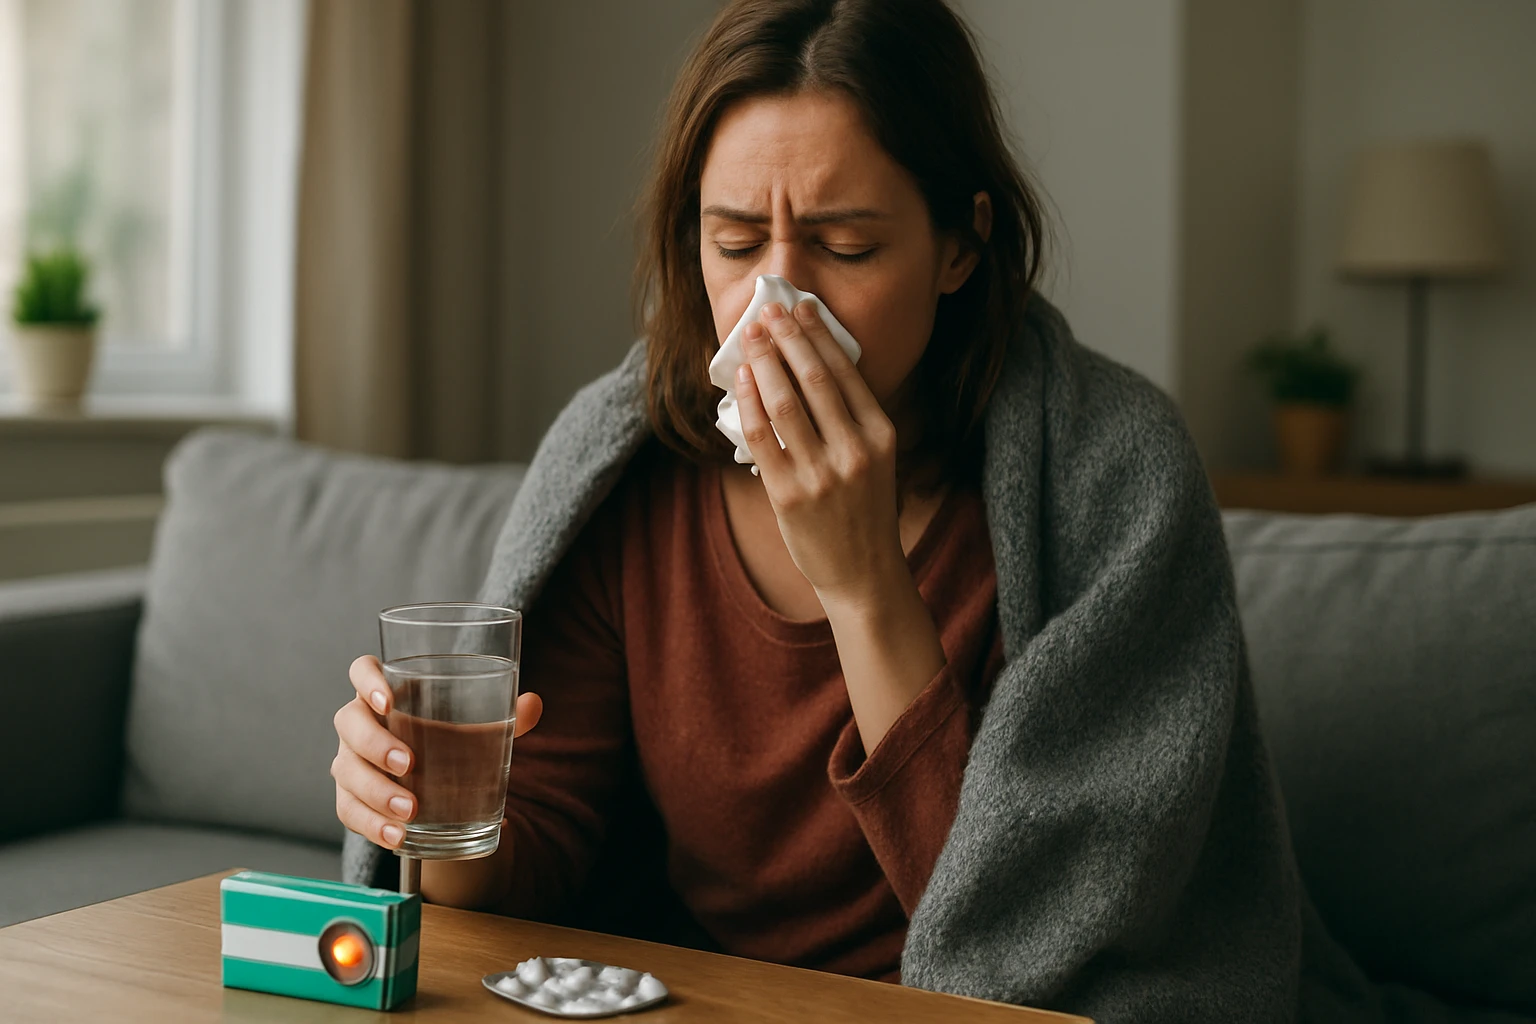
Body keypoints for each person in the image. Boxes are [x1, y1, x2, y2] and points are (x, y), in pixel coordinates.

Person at [332, 1, 1312, 1019]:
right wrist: (423, 807)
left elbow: (1036, 940)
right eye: (736, 240)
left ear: (959, 247)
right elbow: (527, 876)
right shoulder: (625, 465)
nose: (776, 305)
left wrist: (864, 587)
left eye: (845, 245)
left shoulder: (1115, 472)